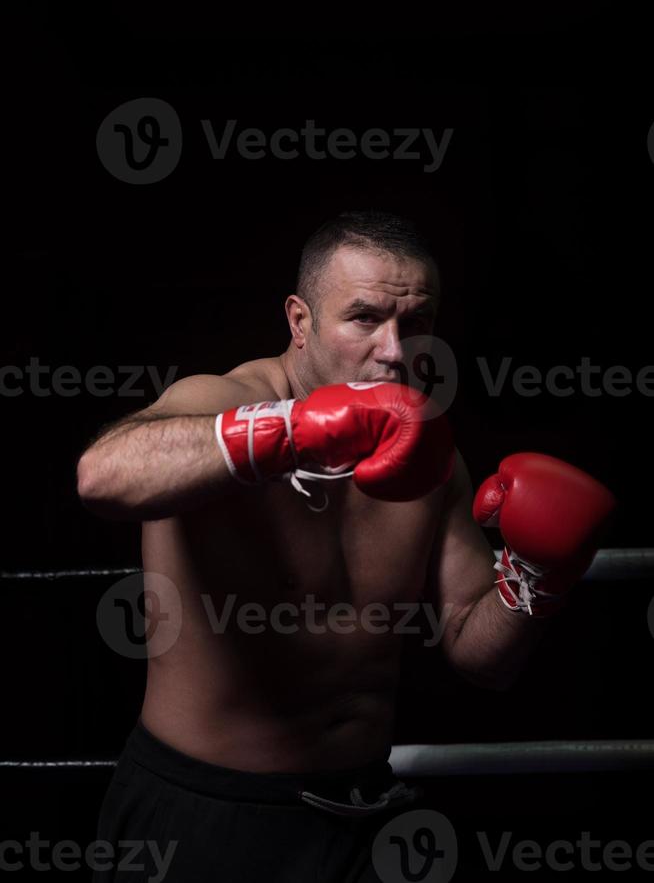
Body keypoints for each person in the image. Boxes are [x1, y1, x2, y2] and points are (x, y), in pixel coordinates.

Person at [77, 211, 614, 882]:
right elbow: (103, 474)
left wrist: (539, 578)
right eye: (363, 317)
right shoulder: (221, 400)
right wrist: (288, 432)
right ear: (300, 322)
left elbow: (481, 656)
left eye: (414, 324)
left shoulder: (432, 456)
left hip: (361, 814)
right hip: (204, 815)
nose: (394, 349)